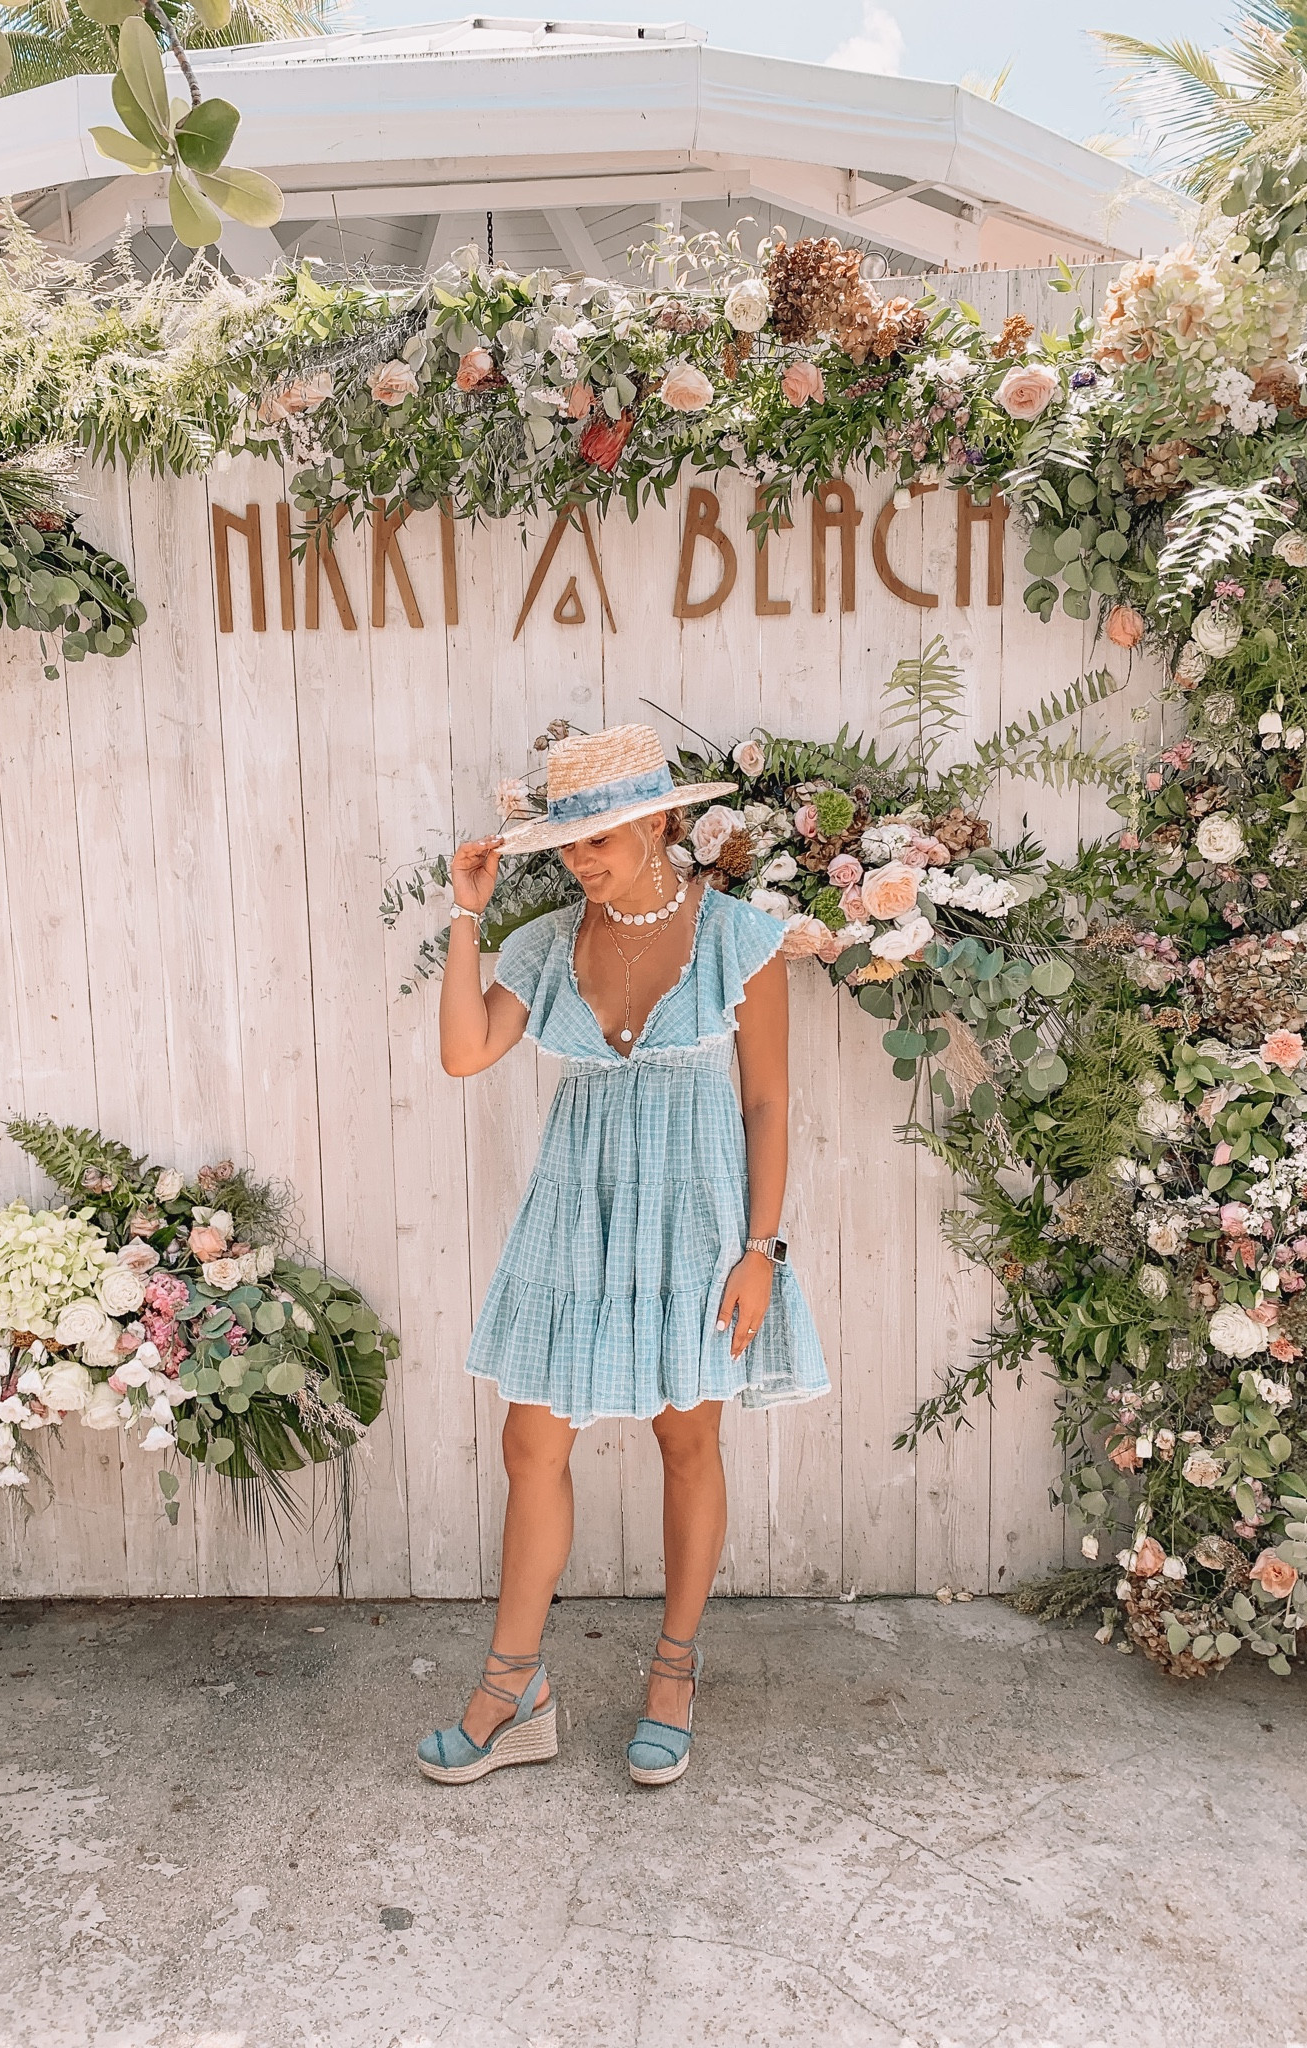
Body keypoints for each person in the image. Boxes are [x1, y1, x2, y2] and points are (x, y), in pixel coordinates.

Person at [417, 723, 829, 1788]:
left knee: (687, 1442)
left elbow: (769, 1099)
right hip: (578, 1216)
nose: (580, 860)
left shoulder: (742, 937)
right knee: (529, 1444)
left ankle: (674, 1673)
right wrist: (468, 913)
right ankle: (513, 1688)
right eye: (566, 844)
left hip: (697, 1223)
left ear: (660, 822)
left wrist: (762, 1249)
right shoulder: (548, 944)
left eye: (598, 837)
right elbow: (465, 1052)